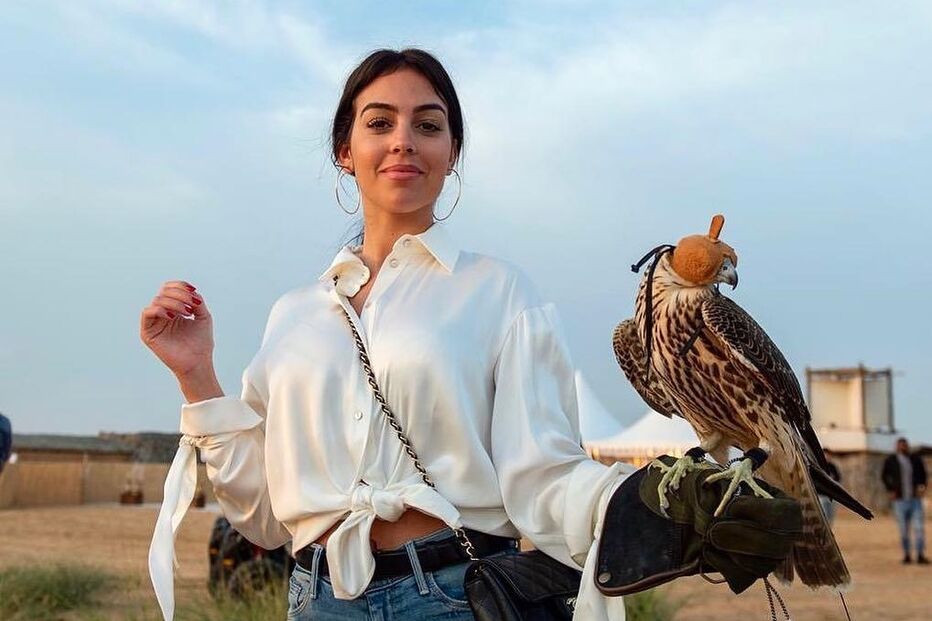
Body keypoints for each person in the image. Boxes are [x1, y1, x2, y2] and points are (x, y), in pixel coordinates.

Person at [141, 48, 787, 621]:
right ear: (345, 151)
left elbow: (544, 473)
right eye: (379, 123)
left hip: (454, 595)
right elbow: (261, 515)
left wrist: (648, 500)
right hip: (315, 599)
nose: (403, 141)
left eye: (427, 124)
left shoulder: (499, 292)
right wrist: (196, 375)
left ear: (450, 153)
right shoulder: (295, 316)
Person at [882, 437, 927, 564]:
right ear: (896, 446)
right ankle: (907, 555)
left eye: (905, 445)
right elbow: (884, 476)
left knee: (918, 528)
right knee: (903, 529)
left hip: (915, 500)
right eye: (900, 445)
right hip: (900, 500)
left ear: (907, 446)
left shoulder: (915, 459)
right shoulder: (891, 461)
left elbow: (923, 475)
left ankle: (920, 555)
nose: (903, 447)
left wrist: (922, 487)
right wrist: (890, 489)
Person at [817, 451, 842, 525]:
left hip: (832, 496)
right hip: (822, 496)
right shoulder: (818, 466)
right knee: (823, 514)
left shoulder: (832, 467)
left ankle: (829, 531)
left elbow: (838, 479)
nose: (826, 456)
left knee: (831, 516)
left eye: (828, 455)